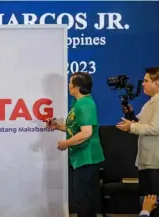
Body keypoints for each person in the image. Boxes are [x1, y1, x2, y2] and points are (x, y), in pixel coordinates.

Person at [117, 67, 159, 217]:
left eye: (146, 81)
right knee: (149, 202)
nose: (142, 84)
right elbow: (141, 124)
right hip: (148, 160)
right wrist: (131, 118)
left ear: (157, 83)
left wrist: (131, 126)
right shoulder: (151, 102)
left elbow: (154, 128)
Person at [46, 72, 105, 217]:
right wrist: (58, 126)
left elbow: (86, 133)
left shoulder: (85, 104)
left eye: (70, 83)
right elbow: (76, 128)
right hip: (79, 158)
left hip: (87, 158)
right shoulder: (77, 103)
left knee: (83, 202)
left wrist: (65, 143)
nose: (68, 85)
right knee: (81, 200)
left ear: (77, 88)